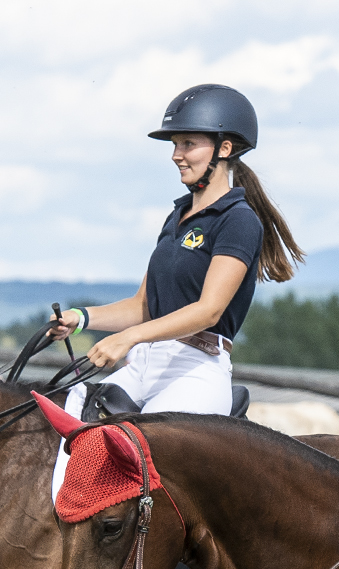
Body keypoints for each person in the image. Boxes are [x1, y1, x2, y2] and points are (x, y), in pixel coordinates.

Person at [45, 83, 303, 419]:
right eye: (175, 144)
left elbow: (208, 311)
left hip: (197, 369)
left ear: (224, 148)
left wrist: (128, 338)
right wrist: (81, 318)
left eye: (188, 144)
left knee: (147, 444)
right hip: (146, 363)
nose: (175, 155)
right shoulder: (177, 217)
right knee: (66, 416)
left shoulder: (239, 221)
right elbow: (143, 306)